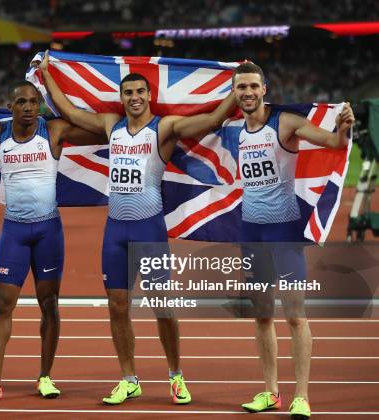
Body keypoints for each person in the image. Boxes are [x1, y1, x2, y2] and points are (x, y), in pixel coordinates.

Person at [39, 51, 236, 405]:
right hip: (116, 230)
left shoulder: (165, 126)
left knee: (163, 306)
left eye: (139, 93)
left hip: (149, 229)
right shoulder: (110, 124)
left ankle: (176, 375)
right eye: (128, 93)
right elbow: (68, 112)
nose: (133, 98)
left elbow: (210, 120)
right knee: (117, 306)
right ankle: (128, 377)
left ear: (148, 96)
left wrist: (236, 92)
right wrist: (47, 73)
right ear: (123, 97)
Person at [0, 81, 107, 402]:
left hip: (47, 231)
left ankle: (45, 377)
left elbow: (105, 133)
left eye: (33, 101)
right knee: (2, 305)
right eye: (21, 102)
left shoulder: (52, 130)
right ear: (10, 106)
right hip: (13, 232)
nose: (28, 107)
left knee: (49, 305)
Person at [231, 62, 354, 419]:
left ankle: (301, 395)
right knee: (262, 316)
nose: (248, 93)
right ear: (235, 93)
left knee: (295, 316)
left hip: (284, 232)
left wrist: (343, 127)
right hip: (251, 233)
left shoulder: (284, 123)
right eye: (242, 88)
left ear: (265, 88)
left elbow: (331, 142)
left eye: (254, 86)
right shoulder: (234, 130)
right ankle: (270, 392)